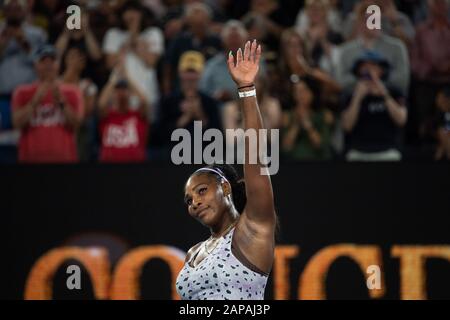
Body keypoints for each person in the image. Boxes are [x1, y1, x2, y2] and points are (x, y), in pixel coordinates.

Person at [176, 40, 276, 300]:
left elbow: (255, 155)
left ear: (225, 187)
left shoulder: (253, 229)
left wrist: (246, 89)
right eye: (189, 200)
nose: (195, 202)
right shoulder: (193, 253)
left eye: (201, 191)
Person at [11, 44, 84, 163]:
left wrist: (62, 102)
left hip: (64, 161)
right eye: (43, 60)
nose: (48, 64)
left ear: (58, 65)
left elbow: (76, 124)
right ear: (35, 65)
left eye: (52, 60)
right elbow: (17, 123)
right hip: (30, 162)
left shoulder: (72, 92)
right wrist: (35, 101)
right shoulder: (22, 92)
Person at [341, 51, 407, 161]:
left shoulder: (394, 92)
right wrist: (357, 98)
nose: (369, 71)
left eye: (373, 66)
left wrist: (384, 95)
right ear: (359, 71)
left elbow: (401, 119)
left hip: (388, 151)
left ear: (381, 70)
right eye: (365, 66)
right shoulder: (350, 94)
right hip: (358, 151)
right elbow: (347, 126)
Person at [97, 61, 149, 163]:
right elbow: (101, 104)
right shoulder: (108, 116)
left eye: (124, 89)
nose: (121, 92)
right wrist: (113, 80)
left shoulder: (137, 116)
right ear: (112, 93)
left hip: (135, 170)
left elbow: (145, 102)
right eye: (118, 89)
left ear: (130, 93)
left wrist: (127, 77)